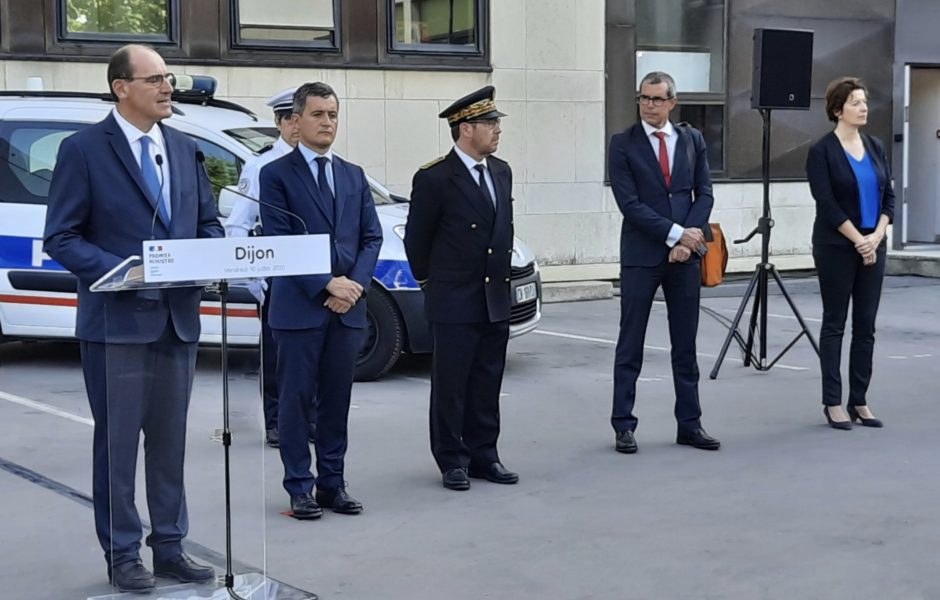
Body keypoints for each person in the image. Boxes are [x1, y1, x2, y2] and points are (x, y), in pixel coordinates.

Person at [43, 44, 222, 592]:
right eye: (156, 80)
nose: (168, 88)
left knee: (169, 445)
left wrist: (207, 258)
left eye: (169, 78)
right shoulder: (84, 150)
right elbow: (62, 237)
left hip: (178, 321)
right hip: (116, 323)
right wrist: (127, 270)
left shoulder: (185, 147)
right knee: (118, 447)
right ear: (122, 87)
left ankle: (169, 546)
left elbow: (209, 225)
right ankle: (123, 555)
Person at [259, 82, 382, 519]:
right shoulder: (275, 175)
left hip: (348, 309)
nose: (327, 122)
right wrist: (327, 284)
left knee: (336, 400)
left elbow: (371, 236)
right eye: (318, 114)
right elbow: (279, 239)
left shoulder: (352, 174)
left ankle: (333, 483)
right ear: (296, 120)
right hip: (299, 308)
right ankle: (299, 487)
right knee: (295, 401)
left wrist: (354, 286)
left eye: (333, 114)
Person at [404, 86, 519, 491]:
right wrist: (431, 284)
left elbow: (502, 230)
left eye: (496, 123)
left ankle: (485, 454)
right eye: (490, 123)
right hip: (455, 298)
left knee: (488, 381)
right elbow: (416, 241)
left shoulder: (500, 171)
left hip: (493, 296)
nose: (497, 130)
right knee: (452, 384)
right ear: (465, 128)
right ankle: (453, 459)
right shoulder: (435, 178)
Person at [607, 71, 720, 454]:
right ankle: (623, 424)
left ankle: (690, 423)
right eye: (644, 98)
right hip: (642, 255)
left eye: (657, 99)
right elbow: (630, 205)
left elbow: (703, 193)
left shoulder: (691, 140)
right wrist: (675, 234)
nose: (649, 105)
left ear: (673, 102)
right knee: (630, 343)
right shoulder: (623, 143)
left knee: (685, 345)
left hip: (685, 257)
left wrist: (689, 240)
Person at [224, 86, 316, 449]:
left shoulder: (320, 162)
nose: (296, 126)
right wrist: (255, 280)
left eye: (300, 117)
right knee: (277, 358)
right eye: (289, 119)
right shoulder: (260, 165)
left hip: (315, 278)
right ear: (278, 123)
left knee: (313, 356)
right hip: (276, 280)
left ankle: (310, 419)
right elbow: (238, 226)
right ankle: (277, 422)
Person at [806, 76, 894, 430]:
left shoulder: (875, 146)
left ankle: (859, 399)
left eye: (865, 101)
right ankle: (832, 401)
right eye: (856, 102)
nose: (864, 108)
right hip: (836, 246)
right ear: (837, 109)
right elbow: (825, 203)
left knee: (866, 326)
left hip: (874, 243)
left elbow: (889, 197)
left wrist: (876, 236)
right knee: (834, 323)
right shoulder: (822, 151)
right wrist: (859, 239)